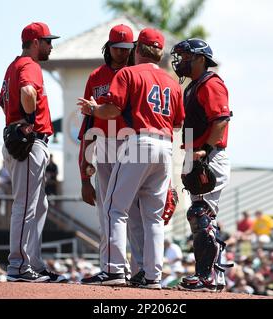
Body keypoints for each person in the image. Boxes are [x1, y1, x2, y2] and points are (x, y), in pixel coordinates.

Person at [78, 28, 185, 289]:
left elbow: (112, 109)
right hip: (165, 146)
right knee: (153, 217)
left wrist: (94, 108)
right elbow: (179, 122)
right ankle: (152, 276)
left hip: (138, 142)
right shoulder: (172, 81)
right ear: (160, 53)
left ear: (138, 50)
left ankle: (114, 270)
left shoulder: (129, 73)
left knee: (115, 208)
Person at [0, 22, 65, 283]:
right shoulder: (29, 65)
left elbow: (1, 101)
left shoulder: (12, 66)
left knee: (39, 205)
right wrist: (27, 119)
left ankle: (33, 264)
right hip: (30, 142)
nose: (51, 45)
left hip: (21, 140)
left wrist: (16, 122)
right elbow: (27, 91)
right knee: (26, 205)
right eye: (47, 41)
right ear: (35, 42)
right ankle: (18, 265)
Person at [77, 24, 142, 281]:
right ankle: (111, 268)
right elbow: (88, 123)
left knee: (134, 208)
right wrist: (84, 177)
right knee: (106, 209)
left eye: (126, 49)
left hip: (132, 144)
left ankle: (141, 271)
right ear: (108, 47)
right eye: (117, 48)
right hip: (103, 141)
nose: (121, 53)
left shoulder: (137, 74)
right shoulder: (96, 77)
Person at [170, 38, 232, 292]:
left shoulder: (210, 83)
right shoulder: (193, 86)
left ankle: (208, 277)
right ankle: (210, 276)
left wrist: (204, 151)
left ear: (201, 59)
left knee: (201, 215)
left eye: (186, 56)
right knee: (201, 215)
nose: (181, 61)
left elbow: (221, 120)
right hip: (196, 154)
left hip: (209, 154)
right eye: (181, 56)